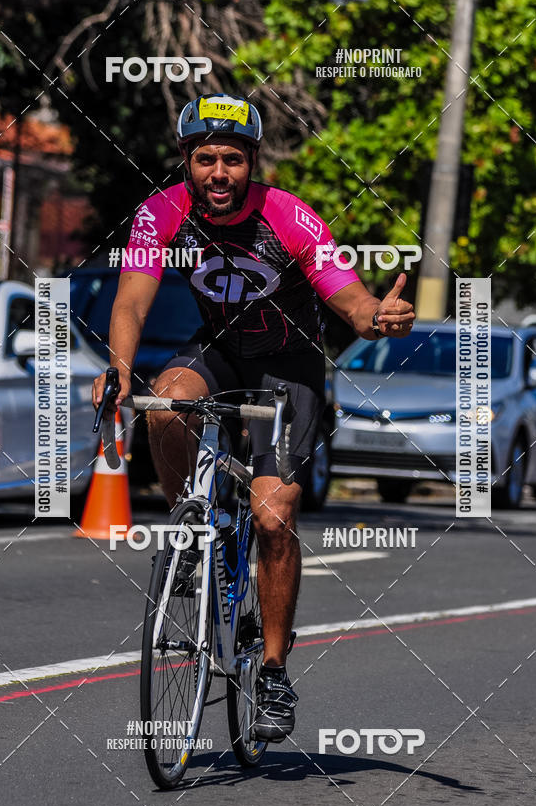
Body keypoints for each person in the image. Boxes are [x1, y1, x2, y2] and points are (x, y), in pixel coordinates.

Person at [92, 93, 415, 742]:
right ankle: (192, 527)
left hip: (289, 366)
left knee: (273, 517)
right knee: (167, 400)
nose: (219, 172)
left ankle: (271, 670)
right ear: (186, 160)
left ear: (252, 162)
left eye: (233, 160)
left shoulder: (287, 216)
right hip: (222, 351)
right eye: (206, 158)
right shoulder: (162, 215)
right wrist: (119, 367)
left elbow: (345, 294)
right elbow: (130, 300)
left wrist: (372, 314)